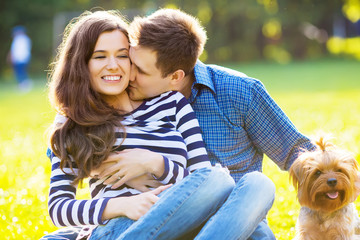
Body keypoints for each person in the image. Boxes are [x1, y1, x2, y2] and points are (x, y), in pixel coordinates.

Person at [99, 8, 316, 239]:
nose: (129, 75)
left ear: (175, 77)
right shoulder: (127, 98)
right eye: (131, 63)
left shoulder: (239, 92)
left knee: (258, 186)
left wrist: (337, 212)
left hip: (232, 222)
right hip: (165, 219)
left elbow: (297, 152)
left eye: (140, 70)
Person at [41, 10, 235, 240]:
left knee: (249, 183)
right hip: (120, 227)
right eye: (100, 56)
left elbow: (203, 184)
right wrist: (124, 205)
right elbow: (59, 208)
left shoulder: (173, 104)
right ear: (82, 64)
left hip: (181, 220)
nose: (113, 65)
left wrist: (155, 163)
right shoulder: (73, 121)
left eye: (122, 56)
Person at [8, 25, 32, 92]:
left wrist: (12, 58)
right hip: (25, 58)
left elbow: (15, 50)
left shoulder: (18, 39)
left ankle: (23, 85)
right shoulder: (26, 39)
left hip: (19, 58)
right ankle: (23, 84)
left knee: (20, 72)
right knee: (22, 71)